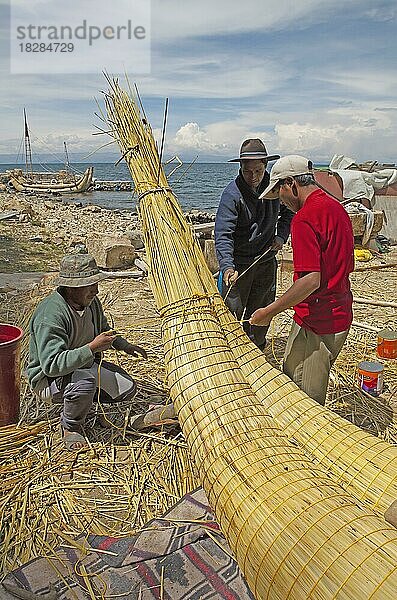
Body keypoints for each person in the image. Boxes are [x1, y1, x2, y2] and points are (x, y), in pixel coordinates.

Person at [250, 155, 354, 405]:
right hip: (338, 314)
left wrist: (268, 312)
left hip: (318, 322)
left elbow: (310, 281)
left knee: (305, 403)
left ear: (290, 183)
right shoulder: (335, 207)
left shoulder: (305, 218)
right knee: (289, 378)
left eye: (279, 192)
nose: (282, 203)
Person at [27, 253, 148, 450]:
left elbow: (103, 328)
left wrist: (124, 345)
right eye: (89, 285)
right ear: (70, 287)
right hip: (47, 381)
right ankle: (71, 426)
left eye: (95, 283)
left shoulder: (90, 303)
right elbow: (51, 365)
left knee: (127, 388)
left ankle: (83, 405)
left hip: (81, 368)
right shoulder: (51, 314)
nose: (96, 290)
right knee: (84, 383)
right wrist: (91, 348)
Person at [215, 138, 293, 349]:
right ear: (240, 167)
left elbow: (288, 212)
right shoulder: (232, 194)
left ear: (265, 166)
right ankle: (232, 349)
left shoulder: (274, 187)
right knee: (232, 312)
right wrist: (227, 266)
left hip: (266, 259)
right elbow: (223, 233)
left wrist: (281, 235)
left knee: (263, 308)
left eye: (258, 171)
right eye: (247, 171)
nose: (253, 177)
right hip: (239, 264)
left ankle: (256, 347)